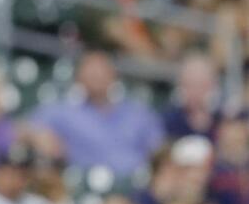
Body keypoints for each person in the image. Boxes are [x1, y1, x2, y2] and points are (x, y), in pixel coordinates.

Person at [30, 50, 166, 177]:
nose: (97, 77)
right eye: (92, 73)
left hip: (134, 182)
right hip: (82, 183)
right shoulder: (62, 111)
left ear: (114, 75)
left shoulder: (138, 113)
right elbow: (24, 129)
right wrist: (38, 136)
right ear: (78, 77)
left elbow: (160, 148)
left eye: (102, 72)